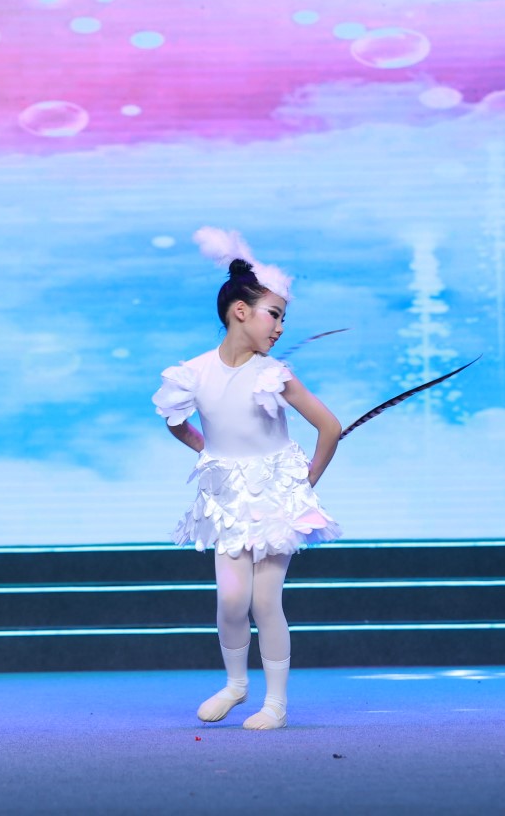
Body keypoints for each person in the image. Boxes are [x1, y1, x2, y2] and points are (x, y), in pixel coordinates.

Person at [153, 228, 342, 730]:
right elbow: (174, 420)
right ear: (240, 311)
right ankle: (236, 684)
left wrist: (305, 483)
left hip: (276, 495)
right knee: (232, 600)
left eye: (282, 318)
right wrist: (208, 451)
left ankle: (275, 703)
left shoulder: (273, 374)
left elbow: (329, 427)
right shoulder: (193, 373)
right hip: (229, 499)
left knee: (264, 599)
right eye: (273, 314)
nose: (279, 327)